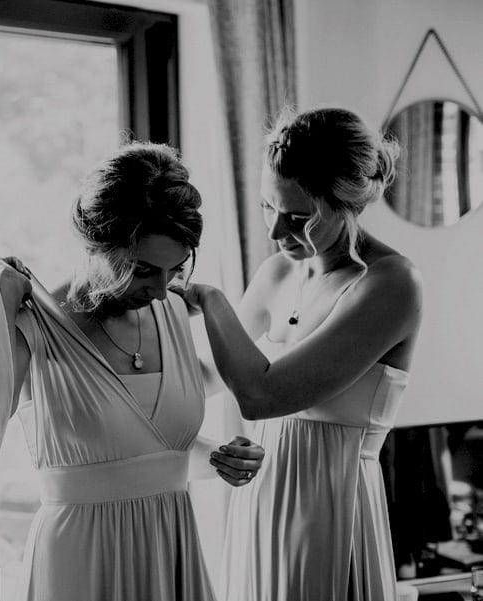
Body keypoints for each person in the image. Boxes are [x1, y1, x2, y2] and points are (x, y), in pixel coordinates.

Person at [0, 142, 265, 601]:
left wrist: (219, 457)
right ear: (96, 244)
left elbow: (143, 447)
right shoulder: (35, 326)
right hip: (78, 559)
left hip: (171, 547)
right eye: (143, 270)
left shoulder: (173, 312)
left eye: (174, 270)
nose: (159, 290)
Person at [181, 107, 423, 601]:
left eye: (298, 217)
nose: (275, 231)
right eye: (269, 207)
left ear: (347, 202)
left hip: (331, 508)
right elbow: (205, 376)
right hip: (260, 501)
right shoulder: (276, 273)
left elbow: (261, 395)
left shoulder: (390, 284)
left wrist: (210, 299)